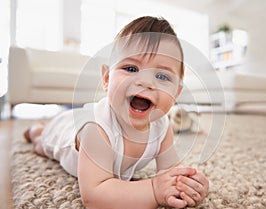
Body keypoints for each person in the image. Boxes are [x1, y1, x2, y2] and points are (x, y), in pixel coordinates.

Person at [24, 16, 209, 209]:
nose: (145, 82)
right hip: (63, 131)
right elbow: (94, 196)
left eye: (162, 76)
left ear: (176, 92)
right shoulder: (97, 130)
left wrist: (187, 184)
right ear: (106, 78)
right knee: (41, 142)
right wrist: (154, 190)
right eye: (131, 68)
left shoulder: (162, 128)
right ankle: (36, 131)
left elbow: (171, 172)